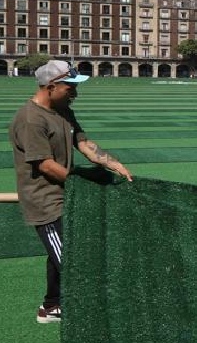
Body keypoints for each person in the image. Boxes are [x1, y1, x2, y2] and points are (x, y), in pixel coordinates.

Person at [9, 60, 133, 324]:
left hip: (66, 194)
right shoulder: (30, 120)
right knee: (73, 261)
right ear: (51, 86)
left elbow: (84, 143)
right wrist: (82, 182)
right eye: (70, 87)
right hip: (45, 201)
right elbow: (46, 165)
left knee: (64, 253)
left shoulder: (62, 110)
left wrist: (113, 163)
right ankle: (93, 316)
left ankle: (51, 307)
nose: (75, 93)